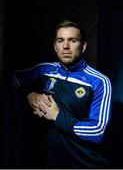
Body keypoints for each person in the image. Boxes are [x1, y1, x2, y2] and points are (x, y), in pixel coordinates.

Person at [12, 19, 112, 168]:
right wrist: (30, 94)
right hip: (51, 162)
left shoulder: (99, 81)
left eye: (72, 40)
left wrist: (57, 116)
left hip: (85, 163)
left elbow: (98, 132)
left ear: (83, 46)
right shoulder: (45, 69)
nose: (65, 46)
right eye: (60, 41)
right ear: (55, 46)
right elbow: (13, 77)